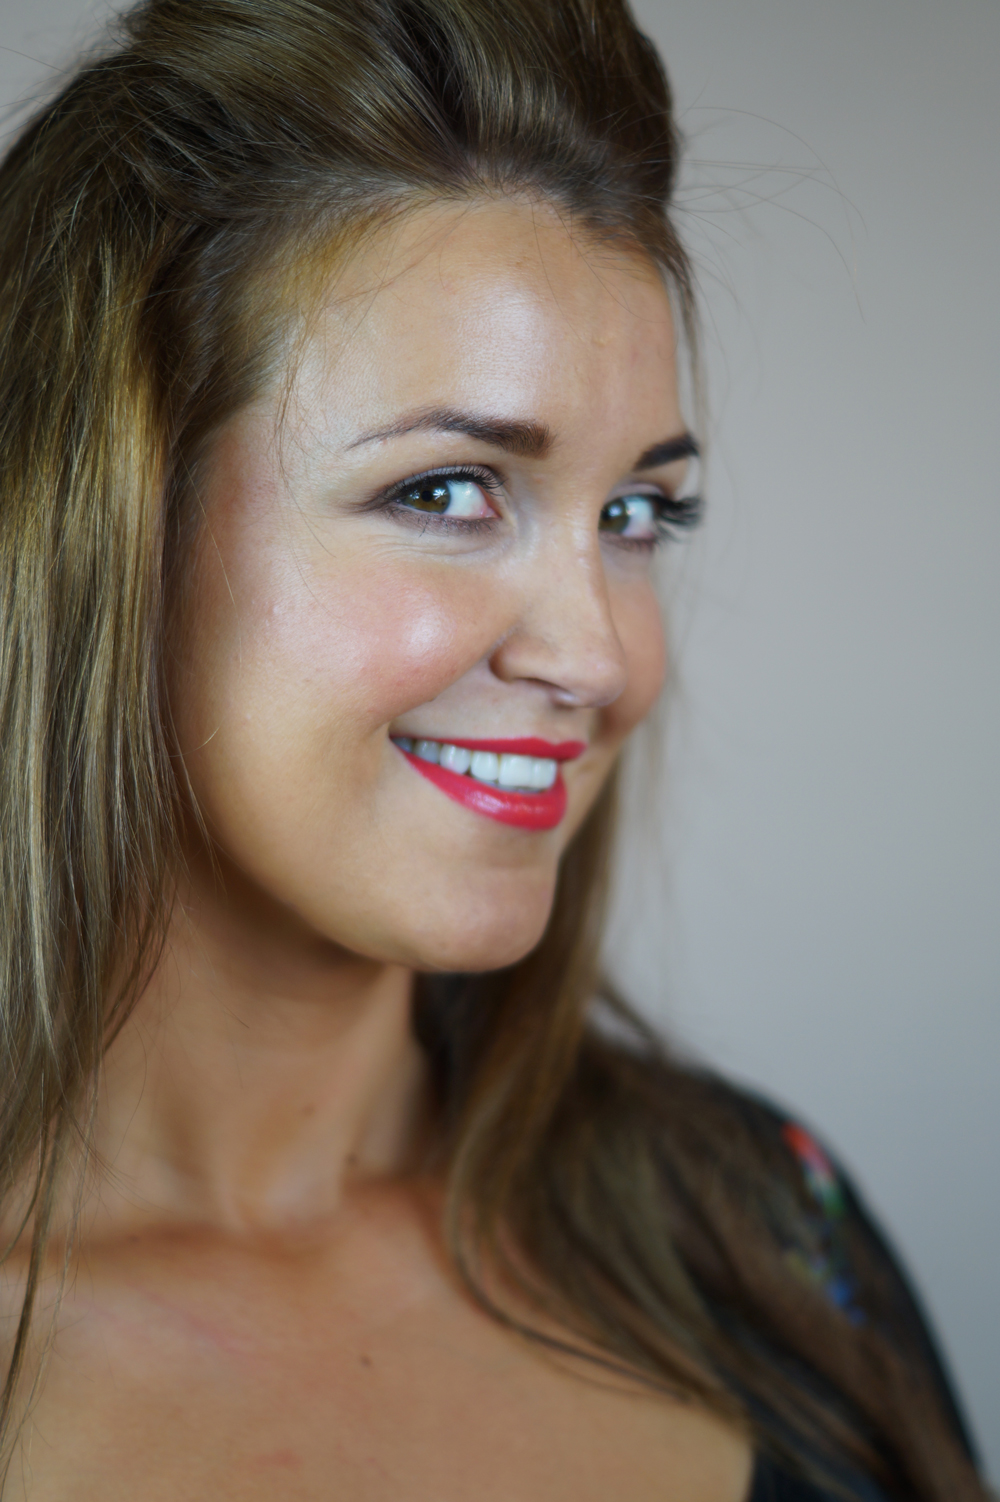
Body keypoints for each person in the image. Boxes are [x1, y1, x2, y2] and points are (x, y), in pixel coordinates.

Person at [0, 1, 987, 1497]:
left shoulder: (759, 1232)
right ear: (110, 527)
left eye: (635, 514)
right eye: (450, 492)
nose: (600, 657)